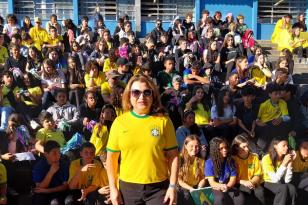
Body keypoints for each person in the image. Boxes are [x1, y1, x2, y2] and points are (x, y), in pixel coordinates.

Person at [106, 74, 179, 205]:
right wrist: (113, 189)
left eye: (147, 92)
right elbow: (111, 159)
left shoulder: (164, 121)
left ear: (153, 95)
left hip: (158, 188)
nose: (141, 97)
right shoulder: (119, 122)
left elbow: (173, 156)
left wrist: (173, 186)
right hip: (128, 189)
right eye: (136, 93)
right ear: (128, 95)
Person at [205, 137, 245, 205]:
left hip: (228, 186)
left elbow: (233, 179)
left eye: (226, 147)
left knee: (240, 197)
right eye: (221, 148)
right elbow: (212, 182)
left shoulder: (231, 161)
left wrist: (227, 187)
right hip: (215, 188)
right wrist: (222, 186)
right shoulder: (209, 162)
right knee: (219, 198)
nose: (225, 150)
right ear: (215, 150)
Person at [261, 136, 297, 205]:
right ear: (275, 146)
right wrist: (284, 163)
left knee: (292, 188)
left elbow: (287, 180)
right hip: (267, 182)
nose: (286, 148)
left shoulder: (284, 157)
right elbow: (274, 180)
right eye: (284, 145)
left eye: (287, 145)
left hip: (279, 182)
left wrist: (290, 163)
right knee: (282, 188)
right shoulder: (267, 158)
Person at [231, 135, 265, 205]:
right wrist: (243, 182)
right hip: (239, 183)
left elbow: (257, 174)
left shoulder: (254, 157)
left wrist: (251, 182)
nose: (247, 149)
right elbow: (231, 177)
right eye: (244, 147)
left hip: (252, 182)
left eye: (247, 146)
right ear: (236, 147)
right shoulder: (232, 159)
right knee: (247, 191)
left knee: (260, 191)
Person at [32, 140, 69, 205]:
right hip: (42, 192)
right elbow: (39, 188)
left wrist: (48, 191)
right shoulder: (39, 166)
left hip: (58, 192)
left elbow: (65, 186)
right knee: (39, 200)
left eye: (59, 152)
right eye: (54, 153)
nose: (58, 156)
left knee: (55, 203)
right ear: (46, 154)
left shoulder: (63, 164)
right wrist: (51, 172)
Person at [256, 83, 290, 152]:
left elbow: (288, 117)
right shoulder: (264, 105)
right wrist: (259, 122)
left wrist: (281, 118)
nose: (278, 96)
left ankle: (282, 146)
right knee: (270, 126)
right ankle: (261, 149)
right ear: (269, 95)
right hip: (265, 124)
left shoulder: (283, 103)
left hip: (276, 123)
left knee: (282, 125)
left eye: (279, 93)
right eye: (275, 94)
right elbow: (258, 118)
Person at [177, 135, 206, 205]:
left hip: (196, 187)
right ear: (186, 146)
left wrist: (199, 188)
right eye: (191, 146)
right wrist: (191, 189)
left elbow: (203, 177)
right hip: (182, 187)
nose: (194, 148)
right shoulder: (180, 158)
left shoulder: (201, 160)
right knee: (187, 196)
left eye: (197, 146)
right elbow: (179, 180)